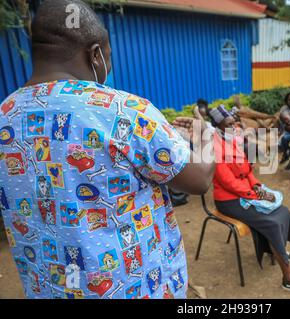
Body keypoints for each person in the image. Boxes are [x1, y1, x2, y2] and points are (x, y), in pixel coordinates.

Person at [0, 0, 215, 299]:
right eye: (109, 57)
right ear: (96, 54)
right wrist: (206, 137)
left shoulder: (4, 115)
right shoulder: (124, 111)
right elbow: (200, 179)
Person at [209, 106, 290, 296]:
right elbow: (228, 182)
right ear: (217, 126)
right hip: (229, 200)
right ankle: (289, 278)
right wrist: (255, 195)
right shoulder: (214, 147)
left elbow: (248, 171)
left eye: (234, 122)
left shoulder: (231, 140)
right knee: (272, 222)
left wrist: (258, 187)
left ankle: (278, 249)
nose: (234, 126)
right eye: (228, 125)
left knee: (282, 211)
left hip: (246, 192)